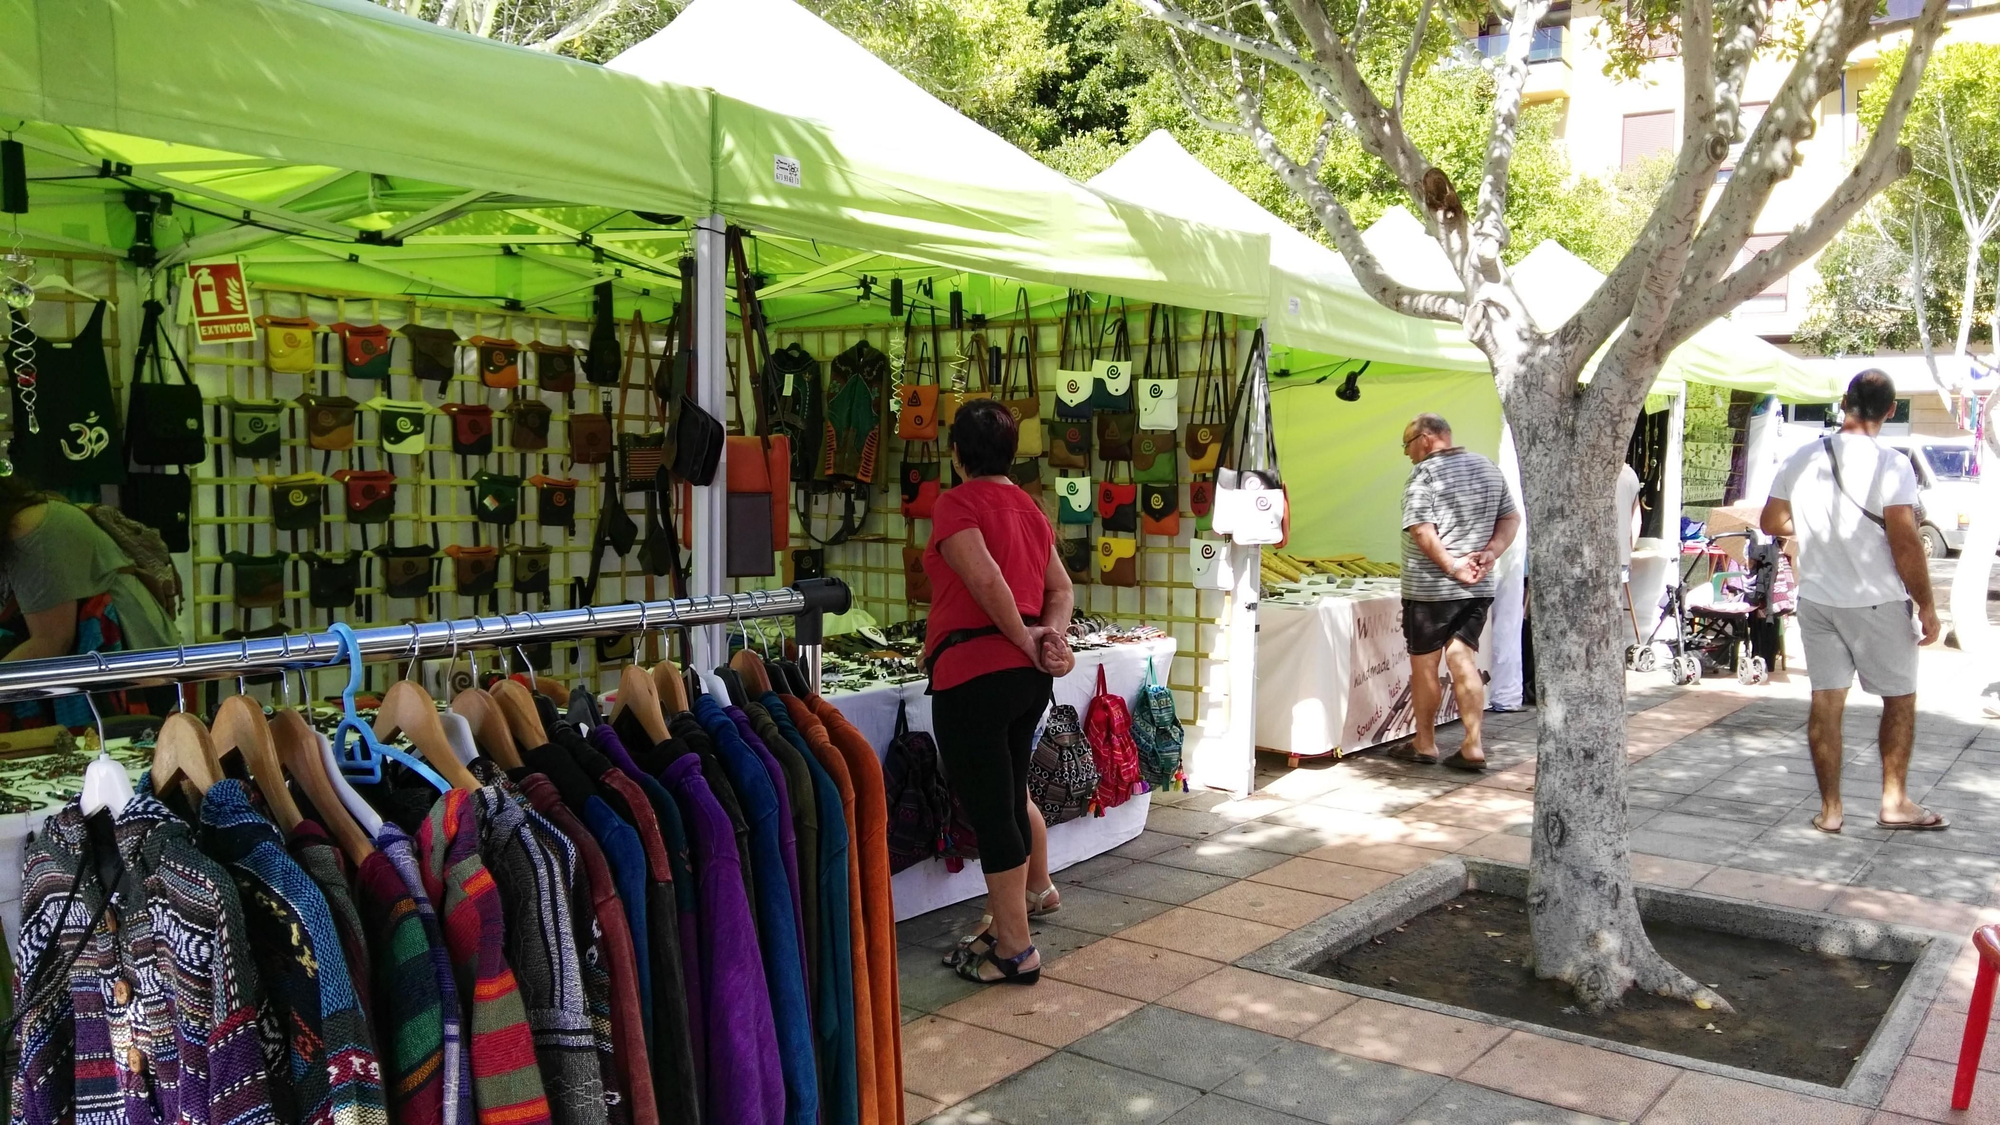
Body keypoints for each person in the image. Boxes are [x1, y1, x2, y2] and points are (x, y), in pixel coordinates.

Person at [922, 399, 1075, 986]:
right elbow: (1060, 589)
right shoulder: (1029, 508)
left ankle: (1015, 947)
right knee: (1009, 800)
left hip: (974, 672)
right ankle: (1005, 929)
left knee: (993, 809)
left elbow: (985, 580)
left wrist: (1026, 636)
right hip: (1023, 678)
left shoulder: (957, 503)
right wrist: (1046, 637)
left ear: (957, 453)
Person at [1760, 370, 1946, 833]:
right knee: (1899, 700)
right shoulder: (1891, 464)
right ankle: (1894, 802)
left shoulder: (1802, 457)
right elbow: (1905, 542)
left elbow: (1771, 521)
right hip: (1877, 601)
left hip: (1817, 599)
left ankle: (1831, 811)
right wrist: (1926, 606)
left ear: (1844, 402)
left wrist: (1814, 528)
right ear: (1891, 410)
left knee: (1826, 701)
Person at [0, 471, 178, 727]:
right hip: (113, 666)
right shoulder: (19, 523)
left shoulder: (29, 529)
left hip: (129, 666)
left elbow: (52, 641)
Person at [1393, 414, 1519, 770]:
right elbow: (1511, 518)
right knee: (1464, 660)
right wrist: (1492, 552)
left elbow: (1421, 529)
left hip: (1430, 589)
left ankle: (1424, 742)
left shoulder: (1425, 474)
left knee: (1425, 665)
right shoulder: (1488, 467)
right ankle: (1473, 745)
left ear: (1425, 438)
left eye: (1407, 444)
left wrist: (1451, 566)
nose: (1407, 453)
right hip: (1478, 586)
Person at [1616, 462, 1643, 642]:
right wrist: (1629, 550)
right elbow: (1636, 521)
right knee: (1615, 604)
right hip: (1620, 554)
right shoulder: (1629, 474)